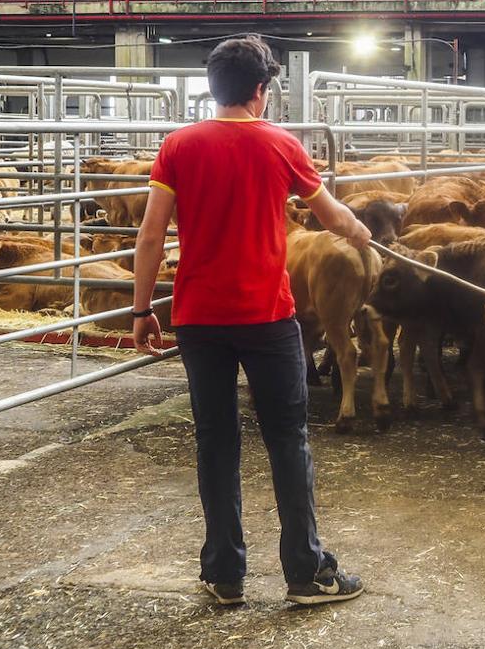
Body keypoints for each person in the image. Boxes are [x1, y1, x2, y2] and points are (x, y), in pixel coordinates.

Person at [132, 35, 372, 608]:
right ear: (261, 91)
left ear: (213, 88)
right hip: (267, 316)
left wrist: (142, 310)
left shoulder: (177, 146)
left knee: (215, 441)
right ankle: (306, 574)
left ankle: (224, 574)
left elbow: (149, 235)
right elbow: (331, 214)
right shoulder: (282, 145)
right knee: (288, 440)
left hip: (199, 317)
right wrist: (358, 232)